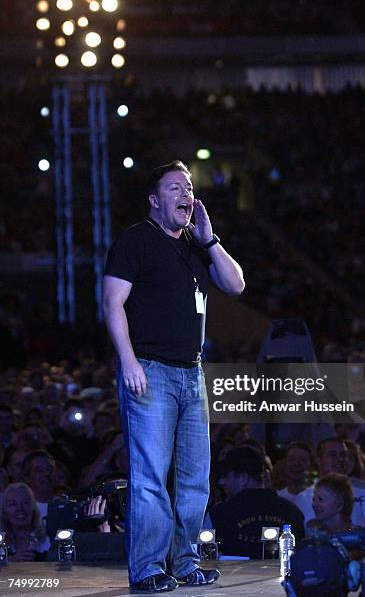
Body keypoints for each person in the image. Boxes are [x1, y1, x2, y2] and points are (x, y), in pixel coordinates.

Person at [103, 160, 244, 593]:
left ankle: (184, 563)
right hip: (150, 371)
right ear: (154, 200)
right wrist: (127, 361)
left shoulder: (196, 246)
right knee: (150, 476)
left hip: (191, 373)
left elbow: (236, 285)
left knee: (194, 477)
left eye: (188, 187)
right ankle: (147, 568)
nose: (185, 193)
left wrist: (211, 239)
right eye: (174, 188)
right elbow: (112, 303)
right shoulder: (136, 240)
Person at [205, 447, 304, 558]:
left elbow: (205, 558)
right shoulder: (292, 512)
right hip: (283, 575)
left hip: (233, 575)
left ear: (243, 478)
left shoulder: (218, 514)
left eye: (226, 476)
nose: (221, 482)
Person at [280, 437, 365, 527]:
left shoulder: (362, 494)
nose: (340, 459)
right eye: (333, 454)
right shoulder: (303, 498)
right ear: (318, 460)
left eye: (343, 455)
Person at [0, 482, 50, 561]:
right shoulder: (1, 543)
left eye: (26, 502)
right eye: (13, 504)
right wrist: (10, 561)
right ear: (5, 512)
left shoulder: (48, 540)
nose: (20, 509)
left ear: (33, 508)